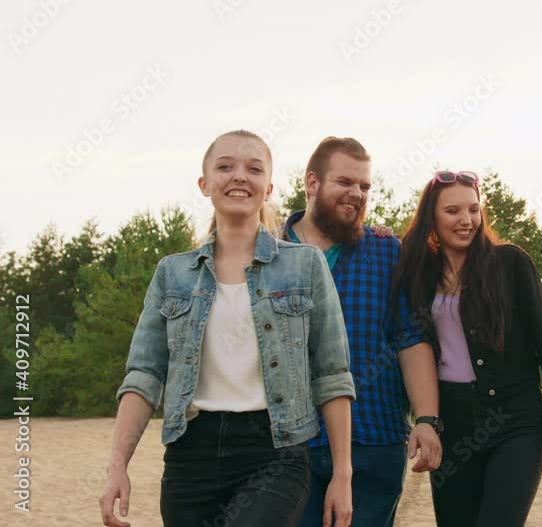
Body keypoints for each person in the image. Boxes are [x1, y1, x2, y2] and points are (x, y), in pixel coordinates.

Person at [99, 130, 356, 527]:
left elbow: (332, 375)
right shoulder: (172, 274)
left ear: (268, 188)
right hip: (190, 456)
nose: (239, 176)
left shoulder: (305, 266)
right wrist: (118, 466)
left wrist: (342, 476)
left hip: (275, 453)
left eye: (254, 169)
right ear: (204, 184)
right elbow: (144, 375)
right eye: (225, 167)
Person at [391, 170, 542, 526]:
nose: (466, 220)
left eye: (473, 209)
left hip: (515, 421)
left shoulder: (510, 263)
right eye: (453, 211)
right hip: (452, 425)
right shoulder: (417, 273)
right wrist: (380, 235)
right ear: (431, 217)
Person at [282, 136, 442, 527]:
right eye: (345, 182)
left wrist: (427, 418)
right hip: (287, 446)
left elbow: (410, 338)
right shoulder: (269, 252)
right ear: (312, 182)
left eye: (365, 186)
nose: (357, 193)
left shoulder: (386, 252)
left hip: (373, 438)